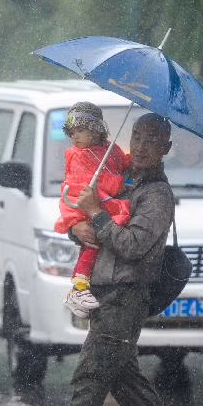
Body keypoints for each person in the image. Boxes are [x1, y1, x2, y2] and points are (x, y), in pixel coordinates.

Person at [27, 112, 203, 406]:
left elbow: (133, 245)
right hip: (106, 291)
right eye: (136, 137)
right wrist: (78, 224)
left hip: (126, 296)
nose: (140, 146)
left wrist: (96, 212)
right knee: (124, 380)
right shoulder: (122, 180)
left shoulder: (156, 195)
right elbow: (93, 233)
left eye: (151, 141)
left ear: (165, 149)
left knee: (89, 377)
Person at [54, 102, 131, 318]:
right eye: (71, 132)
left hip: (102, 202)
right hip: (83, 203)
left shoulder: (110, 150)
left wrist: (128, 161)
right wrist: (115, 183)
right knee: (91, 243)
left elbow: (119, 164)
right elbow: (83, 182)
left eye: (80, 131)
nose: (74, 137)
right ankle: (79, 287)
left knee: (99, 240)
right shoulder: (78, 155)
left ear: (96, 129)